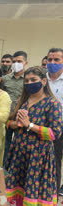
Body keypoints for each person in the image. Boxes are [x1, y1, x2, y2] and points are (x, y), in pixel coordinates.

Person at [6, 66, 62, 206]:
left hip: (38, 157)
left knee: (34, 195)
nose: (30, 83)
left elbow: (54, 133)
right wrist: (15, 124)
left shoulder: (52, 104)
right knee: (20, 192)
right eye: (27, 81)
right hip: (19, 154)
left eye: (33, 80)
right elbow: (9, 123)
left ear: (44, 81)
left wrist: (30, 125)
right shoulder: (23, 100)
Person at [1, 51, 28, 166]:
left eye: (19, 61)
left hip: (22, 119)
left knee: (19, 148)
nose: (16, 64)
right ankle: (4, 170)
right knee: (4, 146)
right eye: (15, 61)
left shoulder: (28, 79)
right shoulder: (4, 79)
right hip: (6, 118)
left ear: (25, 63)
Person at [46, 48, 63, 195]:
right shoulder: (41, 78)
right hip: (38, 127)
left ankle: (53, 194)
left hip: (59, 130)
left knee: (55, 162)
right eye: (50, 60)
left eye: (56, 60)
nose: (52, 63)